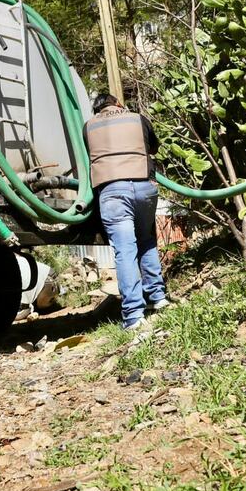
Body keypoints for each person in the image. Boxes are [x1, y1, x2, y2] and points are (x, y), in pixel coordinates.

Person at [84, 93, 168, 330]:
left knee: (125, 249)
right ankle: (157, 297)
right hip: (144, 187)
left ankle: (133, 316)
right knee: (146, 240)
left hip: (113, 191)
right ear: (118, 103)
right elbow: (154, 147)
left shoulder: (88, 126)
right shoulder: (137, 118)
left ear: (96, 110)